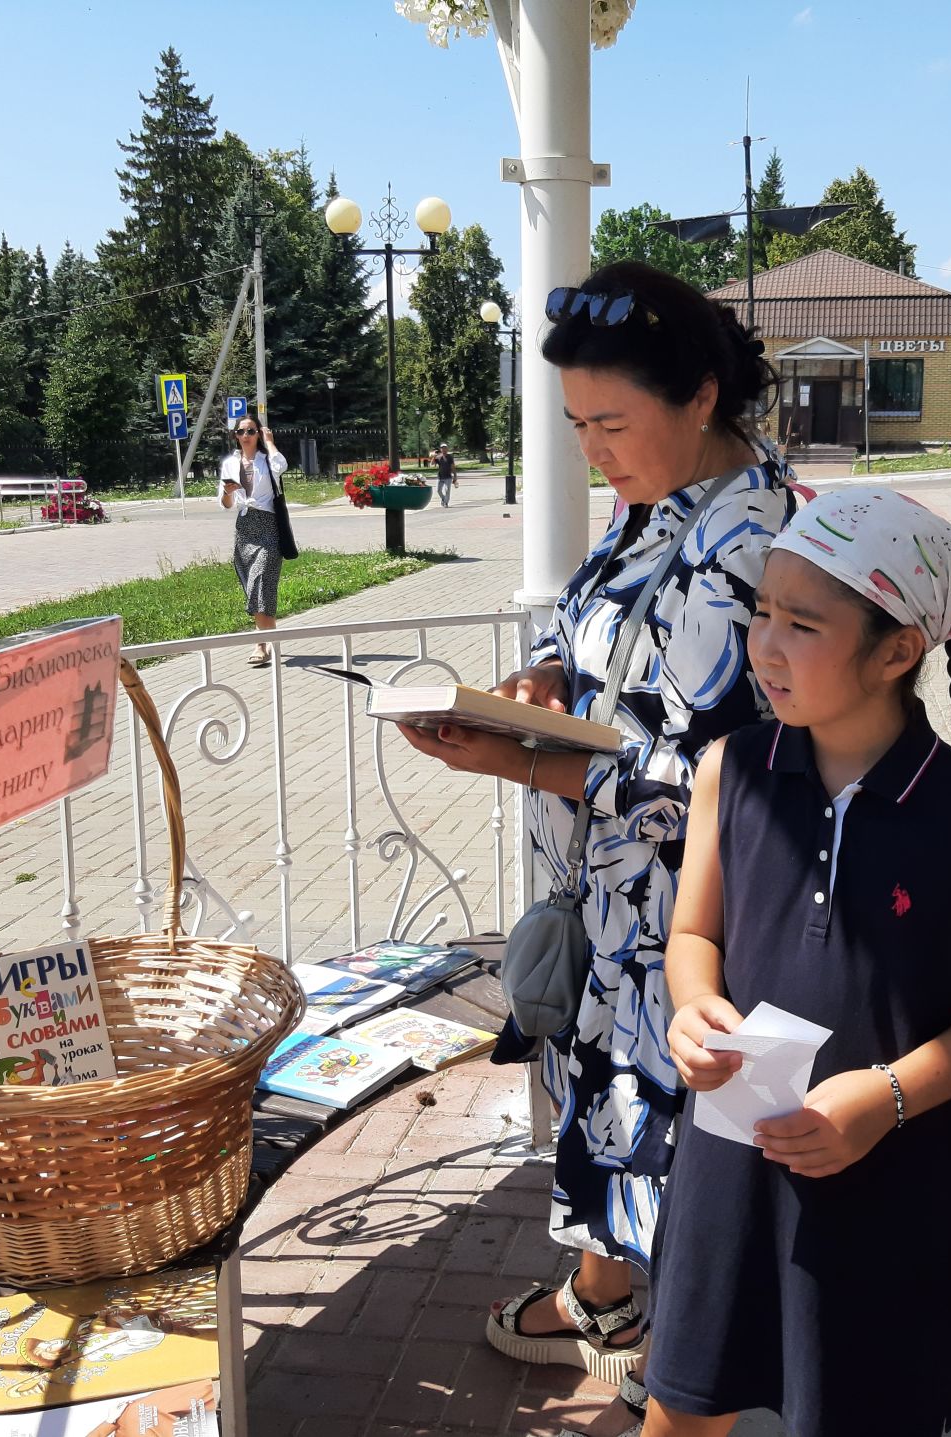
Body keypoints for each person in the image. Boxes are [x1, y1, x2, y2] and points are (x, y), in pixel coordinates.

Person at [394, 260, 796, 1437]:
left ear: (703, 396)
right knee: (619, 1108)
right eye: (578, 427)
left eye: (612, 424)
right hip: (619, 904)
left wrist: (515, 757)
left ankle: (687, 1382)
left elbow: (707, 776)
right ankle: (612, 1300)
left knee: (682, 1136)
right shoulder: (663, 506)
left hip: (691, 916)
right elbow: (598, 641)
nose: (595, 452)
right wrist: (545, 680)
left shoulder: (749, 543)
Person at [643, 489, 951, 1437]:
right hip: (731, 1158)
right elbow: (695, 936)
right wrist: (693, 1004)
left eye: (803, 623)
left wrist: (888, 1097)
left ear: (897, 651)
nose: (765, 645)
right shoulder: (729, 769)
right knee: (685, 1405)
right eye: (762, 613)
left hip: (893, 1178)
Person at [218, 415, 287, 667]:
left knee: (259, 580)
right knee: (255, 586)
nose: (245, 436)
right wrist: (227, 493)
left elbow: (281, 466)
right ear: (235, 435)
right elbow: (225, 504)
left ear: (258, 433)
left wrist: (270, 442)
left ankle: (260, 645)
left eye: (250, 431)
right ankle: (272, 638)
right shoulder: (230, 463)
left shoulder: (266, 459)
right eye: (241, 431)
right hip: (244, 528)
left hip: (268, 526)